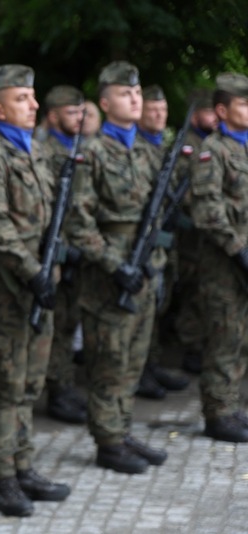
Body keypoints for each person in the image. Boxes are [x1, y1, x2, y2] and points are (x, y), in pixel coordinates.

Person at [0, 64, 70, 517]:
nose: (34, 104)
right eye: (23, 98)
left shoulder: (35, 151)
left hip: (38, 286)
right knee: (5, 387)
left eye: (34, 97)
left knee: (29, 385)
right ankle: (2, 479)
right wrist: (34, 272)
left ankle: (24, 465)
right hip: (8, 291)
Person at [66, 61, 169, 475]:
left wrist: (154, 265)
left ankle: (122, 429)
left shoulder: (147, 150)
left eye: (138, 92)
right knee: (108, 361)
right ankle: (107, 440)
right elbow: (78, 220)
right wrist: (113, 262)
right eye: (126, 94)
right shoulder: (90, 152)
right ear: (106, 102)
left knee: (134, 359)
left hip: (143, 271)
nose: (135, 98)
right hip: (108, 277)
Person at [190, 72, 248, 443]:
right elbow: (207, 209)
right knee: (224, 336)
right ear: (223, 110)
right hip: (224, 263)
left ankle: (232, 406)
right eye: (244, 104)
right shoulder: (213, 150)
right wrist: (238, 249)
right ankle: (218, 414)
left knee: (241, 336)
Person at [133, 84, 191, 400]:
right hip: (142, 242)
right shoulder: (137, 148)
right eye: (152, 109)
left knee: (159, 302)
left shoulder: (162, 147)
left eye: (163, 110)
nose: (158, 115)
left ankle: (150, 363)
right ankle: (141, 371)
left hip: (162, 244)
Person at [40, 84, 88, 425]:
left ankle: (65, 383)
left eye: (81, 112)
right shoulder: (46, 151)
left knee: (70, 322)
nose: (79, 118)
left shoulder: (81, 148)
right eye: (72, 112)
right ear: (54, 115)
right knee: (55, 324)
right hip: (56, 250)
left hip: (77, 249)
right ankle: (56, 388)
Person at [171, 88, 218, 375]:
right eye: (208, 112)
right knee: (192, 291)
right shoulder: (186, 144)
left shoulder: (213, 143)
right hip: (191, 231)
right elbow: (179, 187)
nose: (213, 118)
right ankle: (191, 346)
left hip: (209, 230)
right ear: (197, 113)